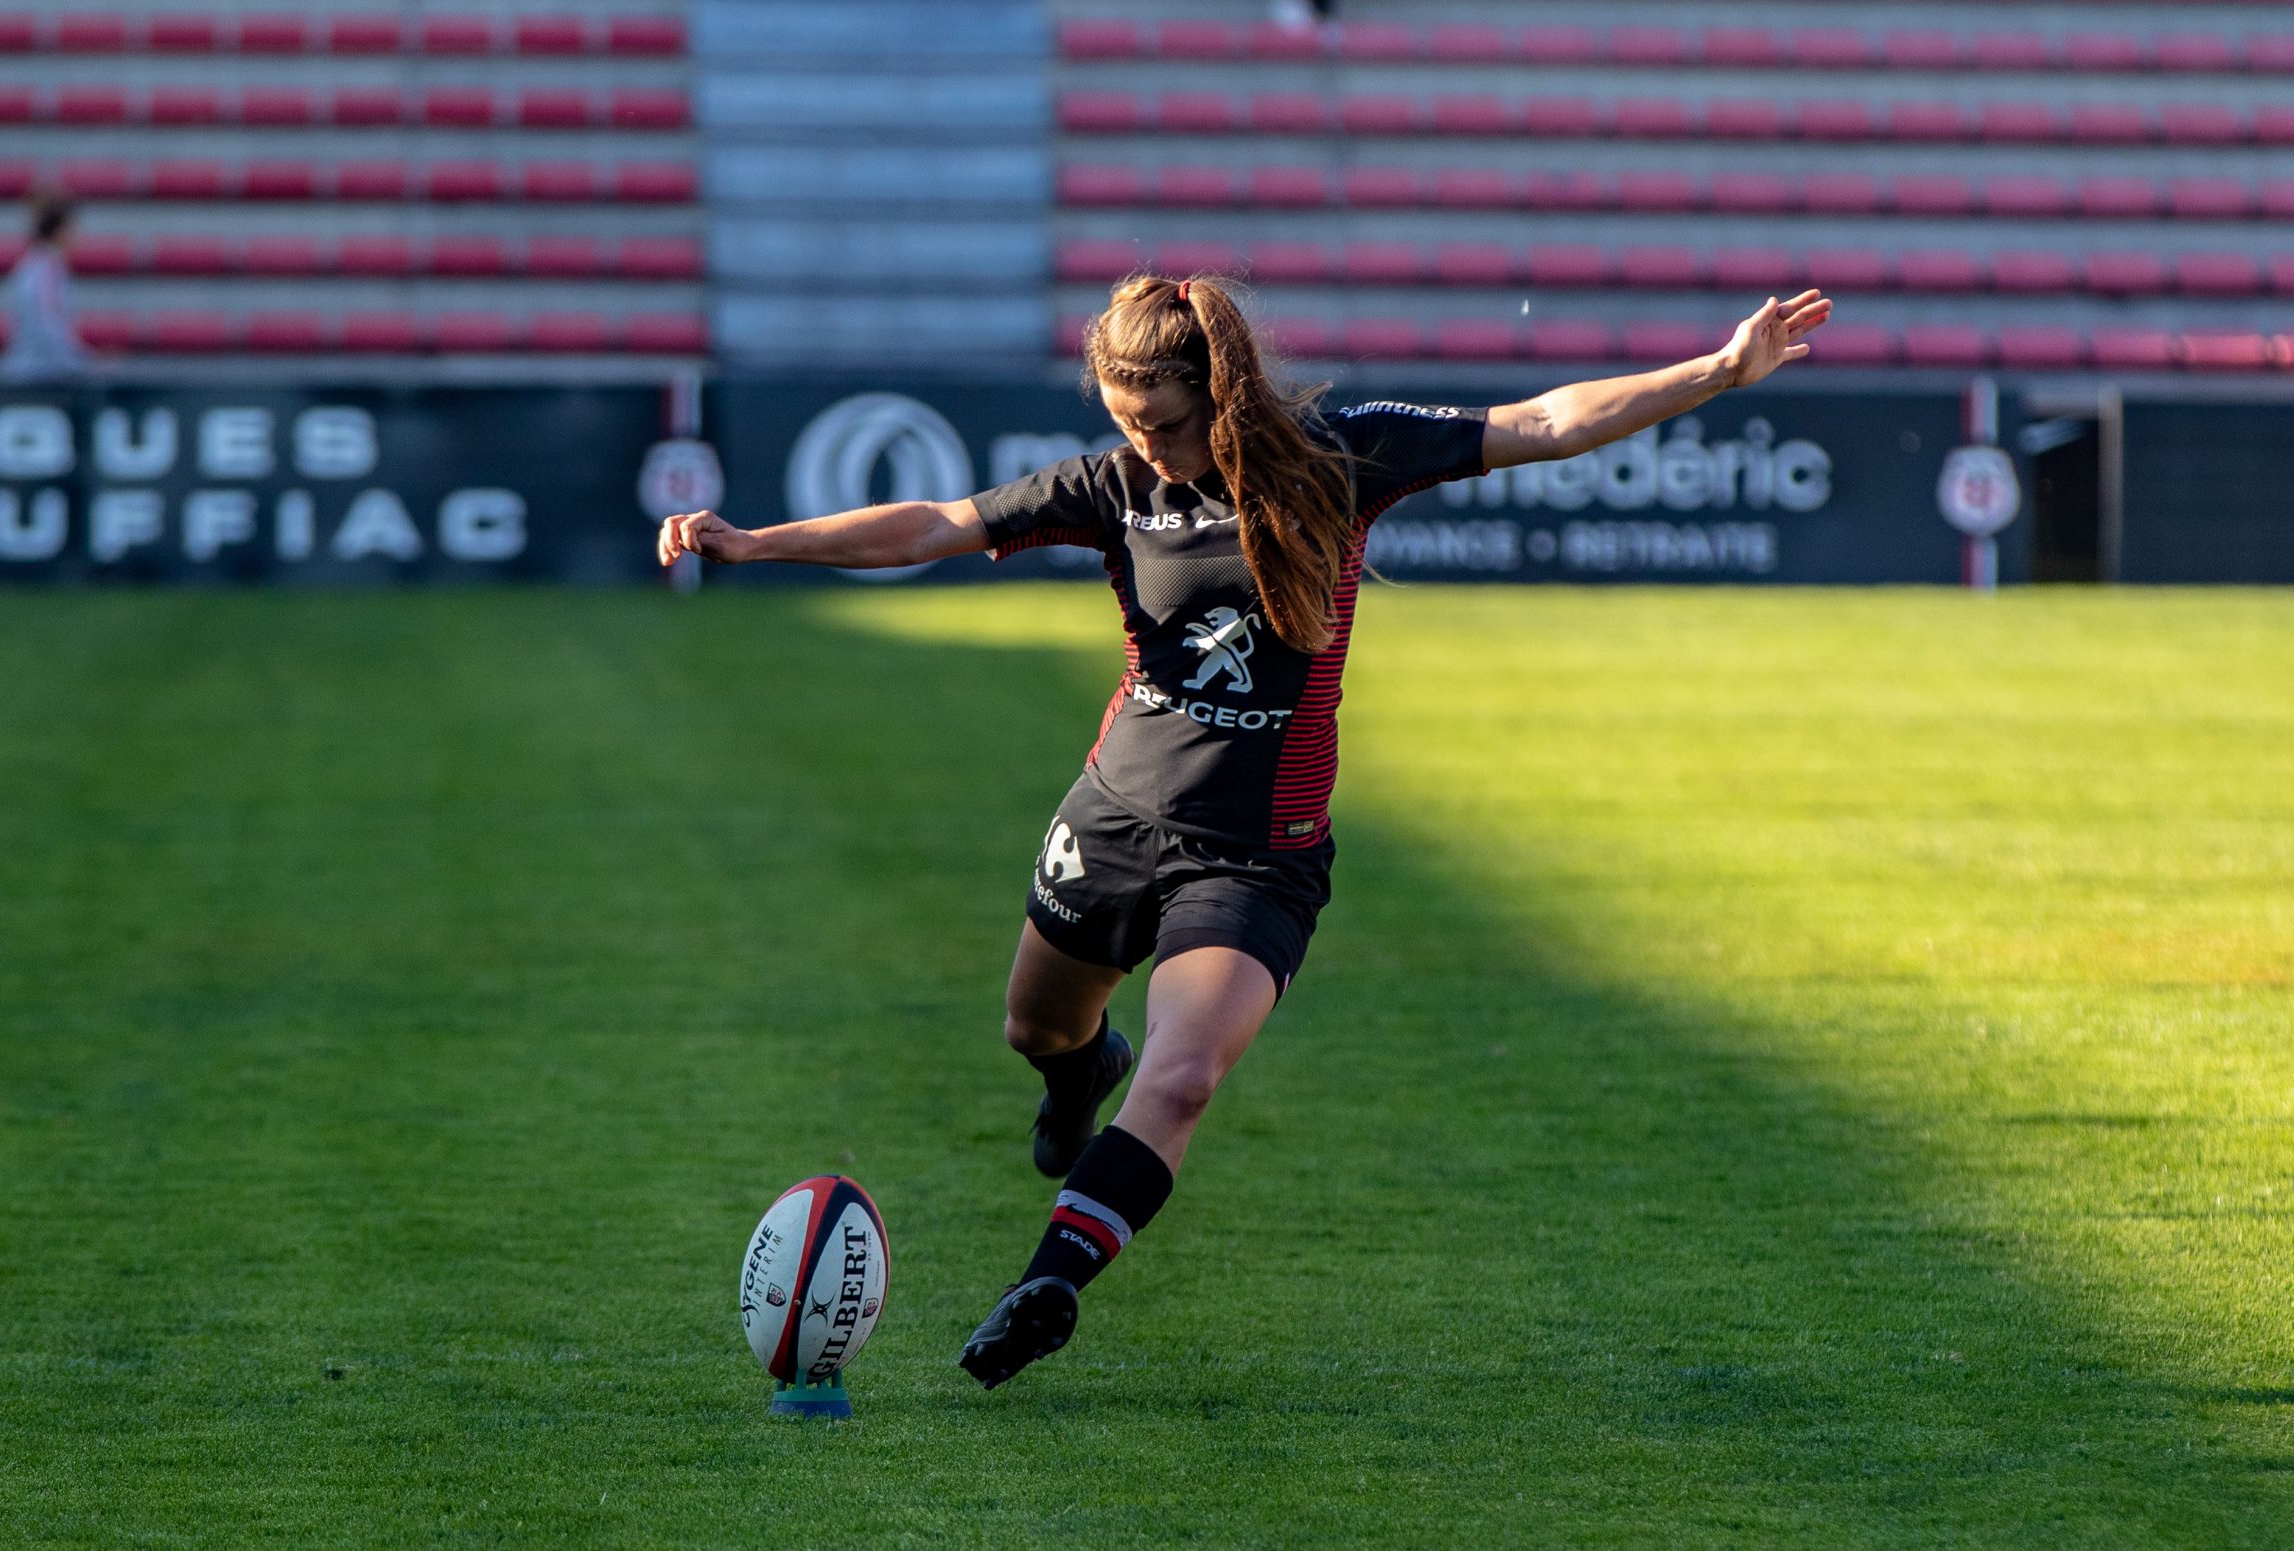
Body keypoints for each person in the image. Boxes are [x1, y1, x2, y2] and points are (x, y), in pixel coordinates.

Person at [656, 275, 1832, 1389]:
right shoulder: (1116, 488)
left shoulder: (1341, 457)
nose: (1147, 447)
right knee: (1036, 1027)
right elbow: (933, 524)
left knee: (1179, 1079)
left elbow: (1543, 422)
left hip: (1255, 856)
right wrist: (757, 542)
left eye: (1164, 424)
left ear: (1218, 395)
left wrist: (1719, 370)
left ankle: (1047, 1286)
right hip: (1112, 818)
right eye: (1126, 422)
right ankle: (1078, 1072)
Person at [0, 194, 90, 383]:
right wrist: (83, 365)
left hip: (40, 370)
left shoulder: (40, 266)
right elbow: (48, 329)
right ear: (60, 231)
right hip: (36, 375)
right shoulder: (45, 270)